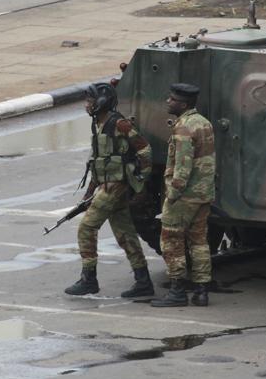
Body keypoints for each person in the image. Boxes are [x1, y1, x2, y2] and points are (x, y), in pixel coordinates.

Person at [65, 82, 154, 297]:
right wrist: (90, 190)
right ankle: (143, 282)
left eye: (90, 101)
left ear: (102, 102)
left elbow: (144, 149)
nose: (87, 105)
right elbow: (99, 160)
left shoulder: (119, 124)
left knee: (86, 228)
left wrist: (141, 181)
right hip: (107, 185)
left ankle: (89, 279)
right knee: (125, 234)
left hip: (116, 186)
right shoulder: (99, 124)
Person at [152, 82, 216, 307]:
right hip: (203, 193)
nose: (168, 102)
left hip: (184, 195)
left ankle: (177, 290)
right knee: (199, 241)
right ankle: (201, 291)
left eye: (172, 99)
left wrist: (173, 193)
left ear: (184, 103)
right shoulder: (203, 123)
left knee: (172, 240)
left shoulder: (184, 128)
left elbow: (183, 164)